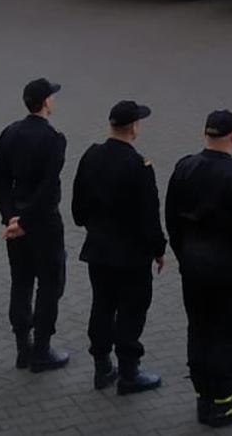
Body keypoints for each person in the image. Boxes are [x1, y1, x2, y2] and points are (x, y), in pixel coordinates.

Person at [166, 110, 232, 429]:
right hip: (228, 274)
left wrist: (182, 253)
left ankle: (203, 396)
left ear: (206, 134)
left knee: (199, 330)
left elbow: (171, 217)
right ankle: (222, 404)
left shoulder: (184, 167)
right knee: (228, 336)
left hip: (193, 269)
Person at [72, 100, 167, 395]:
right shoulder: (139, 166)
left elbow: (78, 207)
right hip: (131, 255)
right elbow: (149, 215)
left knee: (102, 305)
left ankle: (102, 366)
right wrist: (159, 249)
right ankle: (129, 373)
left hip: (98, 250)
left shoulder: (91, 156)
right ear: (134, 127)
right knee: (132, 310)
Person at [0, 78, 72, 372]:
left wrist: (10, 215)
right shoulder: (53, 139)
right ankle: (42, 349)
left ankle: (22, 347)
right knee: (51, 284)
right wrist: (26, 220)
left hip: (16, 221)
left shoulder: (10, 132)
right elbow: (49, 187)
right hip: (44, 222)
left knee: (21, 281)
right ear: (46, 102)